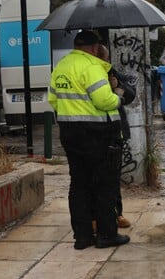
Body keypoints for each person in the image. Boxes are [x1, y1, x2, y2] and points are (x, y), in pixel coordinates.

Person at [48, 29, 130, 250]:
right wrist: (119, 97)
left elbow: (53, 100)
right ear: (94, 48)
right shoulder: (92, 66)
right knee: (105, 185)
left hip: (69, 133)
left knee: (79, 185)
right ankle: (106, 235)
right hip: (98, 134)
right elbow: (104, 100)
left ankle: (82, 237)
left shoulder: (61, 67)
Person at [96, 44, 135, 229]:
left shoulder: (110, 72)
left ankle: (116, 213)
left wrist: (117, 86)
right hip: (96, 131)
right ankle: (97, 217)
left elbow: (131, 93)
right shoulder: (90, 73)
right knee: (97, 177)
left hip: (116, 130)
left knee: (113, 177)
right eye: (104, 56)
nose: (106, 60)